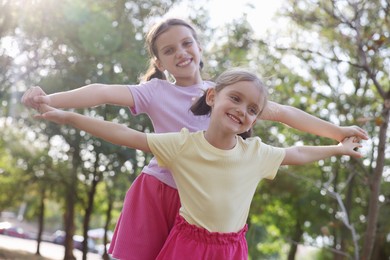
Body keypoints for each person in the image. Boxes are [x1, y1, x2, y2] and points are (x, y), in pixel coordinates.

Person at [22, 18, 368, 260]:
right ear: (159, 61)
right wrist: (52, 100)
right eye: (169, 50)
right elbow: (101, 93)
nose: (181, 53)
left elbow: (288, 115)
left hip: (206, 202)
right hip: (160, 192)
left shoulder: (230, 96)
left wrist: (338, 134)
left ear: (199, 47)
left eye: (186, 43)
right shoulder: (154, 92)